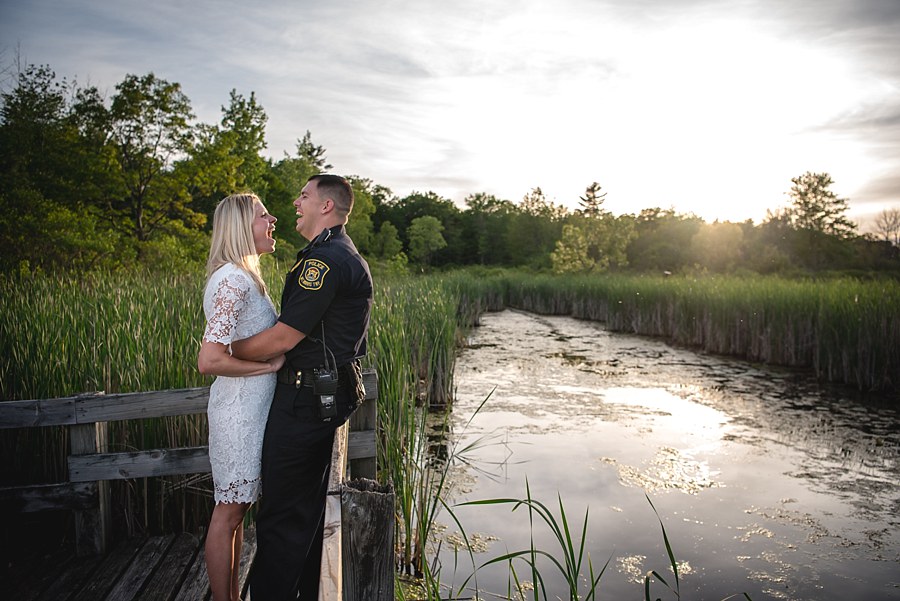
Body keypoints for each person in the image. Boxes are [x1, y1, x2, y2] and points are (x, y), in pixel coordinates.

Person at [229, 174, 373, 600]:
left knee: (280, 518)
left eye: (304, 196)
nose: (296, 201)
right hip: (317, 397)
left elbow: (283, 338)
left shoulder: (324, 261)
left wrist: (226, 351)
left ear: (325, 206)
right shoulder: (330, 254)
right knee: (302, 516)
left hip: (305, 400)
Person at [197, 193, 285, 601]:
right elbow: (210, 358)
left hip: (251, 413)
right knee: (228, 512)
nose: (273, 220)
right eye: (263, 216)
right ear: (239, 228)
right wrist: (263, 368)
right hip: (238, 414)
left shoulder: (244, 276)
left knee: (237, 511)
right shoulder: (232, 279)